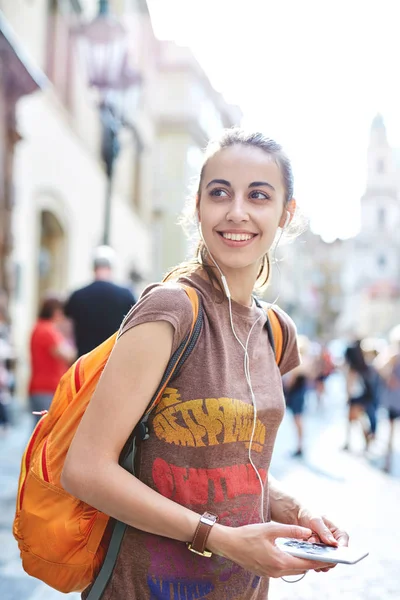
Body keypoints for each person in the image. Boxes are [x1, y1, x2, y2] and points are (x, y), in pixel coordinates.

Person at [61, 129, 348, 600]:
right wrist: (221, 539)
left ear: (286, 212)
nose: (237, 212)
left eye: (259, 195)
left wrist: (296, 511)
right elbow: (86, 469)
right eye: (220, 193)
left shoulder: (277, 330)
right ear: (198, 206)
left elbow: (237, 463)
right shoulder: (171, 311)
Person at [65, 246, 136, 357]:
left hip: (84, 361)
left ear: (93, 268)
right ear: (112, 267)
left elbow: (67, 328)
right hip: (112, 360)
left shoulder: (77, 295)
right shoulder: (126, 294)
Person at [29, 296, 76, 425]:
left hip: (41, 387)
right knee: (44, 432)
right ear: (56, 311)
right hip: (47, 388)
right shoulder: (47, 330)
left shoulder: (39, 327)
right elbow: (67, 355)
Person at [343, 340, 376, 451]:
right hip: (362, 396)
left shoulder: (352, 368)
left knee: (354, 420)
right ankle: (353, 441)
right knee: (355, 419)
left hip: (355, 397)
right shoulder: (363, 365)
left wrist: (347, 397)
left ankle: (365, 438)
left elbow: (349, 385)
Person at [283, 335, 312, 457]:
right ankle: (300, 445)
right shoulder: (307, 360)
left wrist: (285, 390)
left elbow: (292, 379)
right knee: (298, 420)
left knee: (297, 420)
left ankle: (300, 446)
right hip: (300, 392)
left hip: (296, 394)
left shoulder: (300, 360)